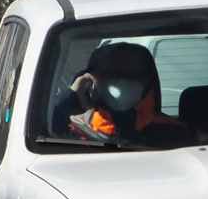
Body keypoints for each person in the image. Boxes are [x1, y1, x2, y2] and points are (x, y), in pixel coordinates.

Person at [53, 42, 196, 148]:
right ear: (91, 81)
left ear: (148, 80)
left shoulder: (180, 134)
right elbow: (37, 129)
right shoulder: (74, 133)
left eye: (132, 74)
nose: (122, 81)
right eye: (111, 74)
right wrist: (71, 98)